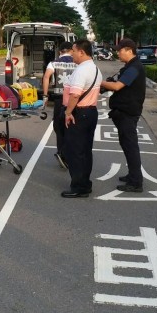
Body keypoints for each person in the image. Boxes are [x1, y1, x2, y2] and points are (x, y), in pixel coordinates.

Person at [100, 38, 146, 193]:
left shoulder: (134, 68)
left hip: (128, 113)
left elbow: (117, 86)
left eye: (119, 50)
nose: (117, 52)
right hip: (124, 112)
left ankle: (135, 182)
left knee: (130, 146)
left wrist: (100, 82)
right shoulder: (129, 67)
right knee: (127, 145)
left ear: (129, 50)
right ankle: (132, 175)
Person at [60, 39, 102, 198]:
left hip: (79, 113)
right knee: (85, 150)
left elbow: (75, 94)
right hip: (90, 113)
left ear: (82, 52)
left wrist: (68, 112)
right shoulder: (95, 69)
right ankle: (85, 183)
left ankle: (78, 186)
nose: (71, 54)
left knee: (75, 151)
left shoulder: (81, 70)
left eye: (73, 51)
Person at [41, 41, 76, 169]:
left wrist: (45, 95)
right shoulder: (77, 63)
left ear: (60, 51)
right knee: (71, 126)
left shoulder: (54, 63)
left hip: (59, 99)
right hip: (73, 99)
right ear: (71, 51)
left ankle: (61, 152)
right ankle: (68, 154)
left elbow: (46, 77)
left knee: (58, 125)